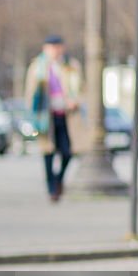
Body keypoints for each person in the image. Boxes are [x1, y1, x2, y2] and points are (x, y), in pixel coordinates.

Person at [25, 35, 87, 202]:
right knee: (48, 152)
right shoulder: (38, 67)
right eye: (52, 47)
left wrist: (76, 101)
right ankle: (52, 188)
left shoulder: (71, 66)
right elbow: (31, 93)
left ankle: (58, 180)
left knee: (67, 151)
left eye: (58, 47)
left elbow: (81, 89)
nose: (55, 51)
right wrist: (32, 114)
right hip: (46, 115)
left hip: (66, 115)